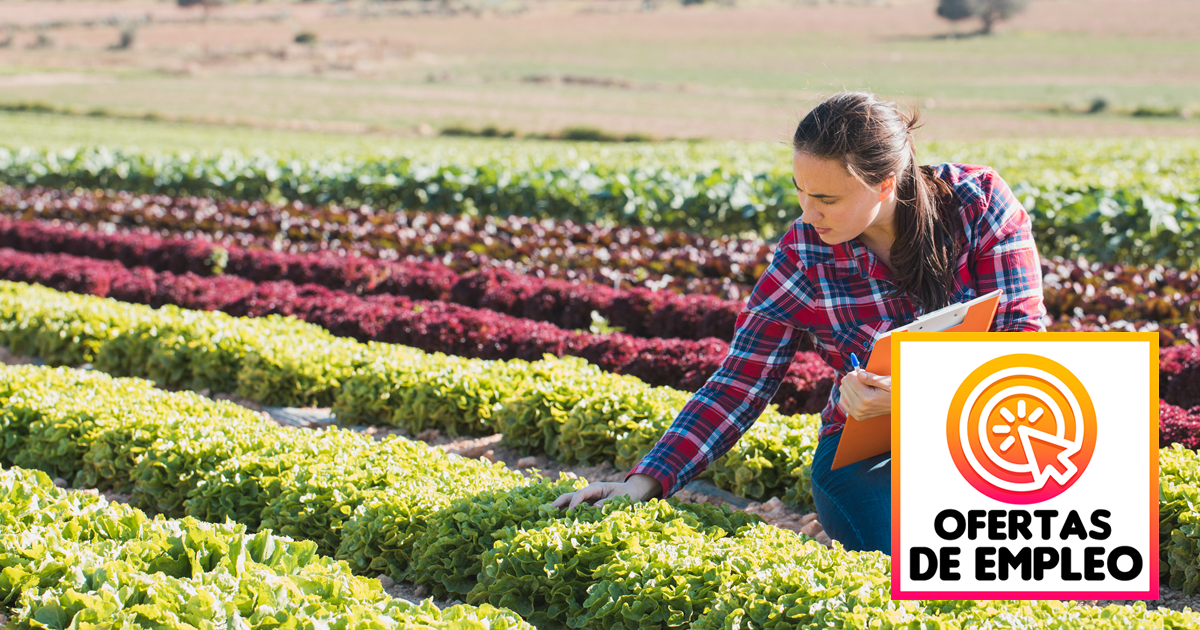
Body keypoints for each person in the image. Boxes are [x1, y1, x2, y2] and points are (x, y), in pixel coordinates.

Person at [551, 91, 1047, 554]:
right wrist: (643, 481)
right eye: (801, 192)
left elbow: (1025, 347)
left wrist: (922, 393)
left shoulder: (978, 206)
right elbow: (740, 380)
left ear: (885, 182)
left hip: (989, 428)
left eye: (826, 199)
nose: (808, 214)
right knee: (919, 556)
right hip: (869, 454)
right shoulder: (805, 254)